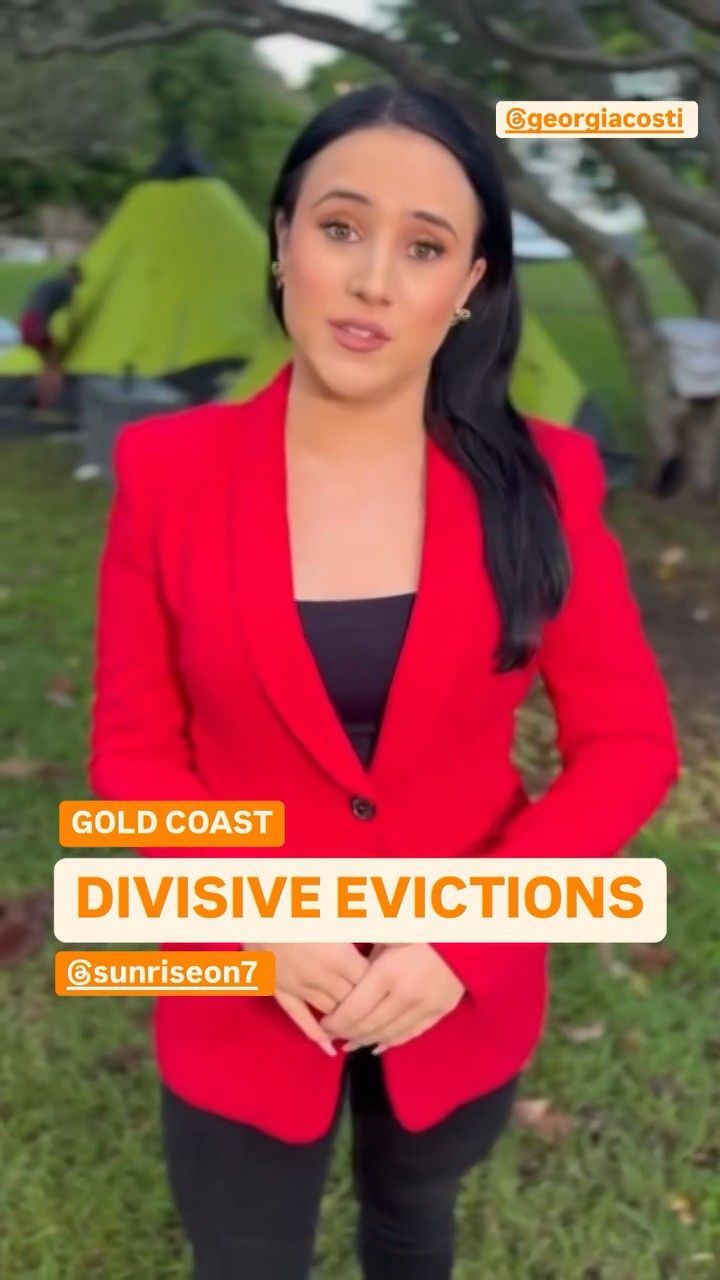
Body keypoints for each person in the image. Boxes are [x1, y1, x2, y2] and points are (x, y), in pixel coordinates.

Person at [88, 86, 681, 1279]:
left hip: (455, 987)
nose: (371, 280)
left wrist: (467, 933)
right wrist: (254, 915)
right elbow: (136, 752)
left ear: (469, 284)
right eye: (340, 228)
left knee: (413, 1225)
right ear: (281, 240)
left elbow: (628, 744)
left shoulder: (547, 480)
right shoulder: (167, 469)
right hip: (241, 984)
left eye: (423, 247)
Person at [19, 262, 82, 409]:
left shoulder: (48, 283)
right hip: (37, 325)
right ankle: (48, 401)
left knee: (46, 365)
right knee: (55, 366)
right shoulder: (66, 287)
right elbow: (72, 313)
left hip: (26, 323)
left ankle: (36, 396)